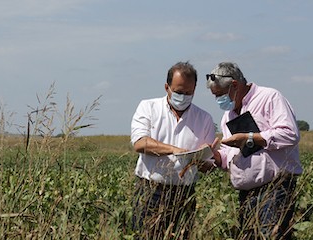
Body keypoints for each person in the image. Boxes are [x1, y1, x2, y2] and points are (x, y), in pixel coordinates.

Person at [206, 62, 303, 239]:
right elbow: (229, 156)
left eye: (220, 95)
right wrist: (215, 157)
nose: (218, 100)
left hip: (274, 189)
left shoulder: (269, 97)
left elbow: (290, 134)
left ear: (235, 85)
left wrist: (250, 138)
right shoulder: (228, 115)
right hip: (246, 194)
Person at [130, 61, 217, 239]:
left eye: (188, 93)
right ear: (166, 87)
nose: (183, 96)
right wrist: (174, 150)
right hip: (150, 191)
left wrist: (202, 160)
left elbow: (209, 165)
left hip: (184, 194)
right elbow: (140, 143)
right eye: (178, 92)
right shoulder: (148, 107)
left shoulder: (204, 118)